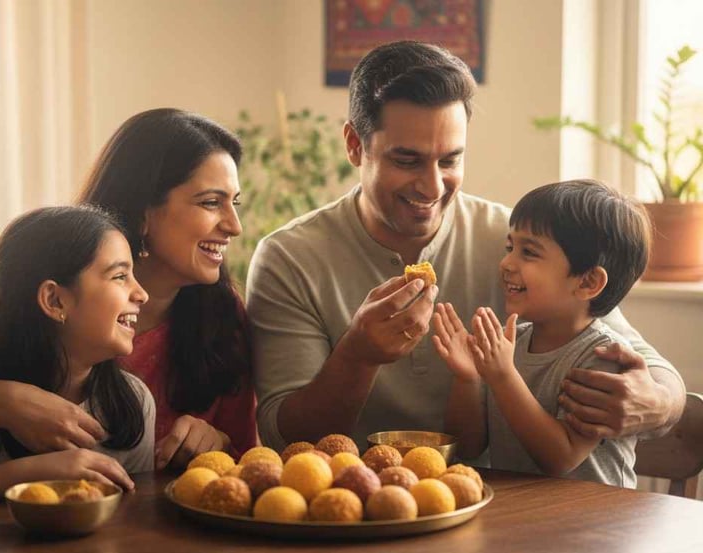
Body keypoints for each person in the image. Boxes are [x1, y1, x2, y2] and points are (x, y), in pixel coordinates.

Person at [246, 40, 685, 452]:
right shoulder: (289, 258)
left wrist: (661, 402)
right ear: (355, 145)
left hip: (501, 507)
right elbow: (284, 435)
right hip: (352, 503)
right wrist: (357, 356)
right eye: (407, 160)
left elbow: (639, 358)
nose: (433, 185)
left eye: (450, 159)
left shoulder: (515, 244)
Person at [0, 109, 257, 469]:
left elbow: (247, 459)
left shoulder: (224, 316)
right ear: (143, 212)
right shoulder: (36, 298)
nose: (235, 226)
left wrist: (216, 446)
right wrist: (9, 402)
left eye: (235, 202)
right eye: (211, 203)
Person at [0, 206, 154, 514]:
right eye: (120, 276)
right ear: (55, 300)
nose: (141, 293)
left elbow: (134, 514)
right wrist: (24, 475)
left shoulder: (134, 402)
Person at [434, 180, 651, 486]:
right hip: (525, 520)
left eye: (529, 252)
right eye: (510, 247)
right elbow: (468, 447)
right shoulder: (513, 344)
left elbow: (560, 458)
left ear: (588, 282)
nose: (507, 262)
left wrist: (502, 376)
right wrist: (467, 377)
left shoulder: (605, 358)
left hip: (597, 527)